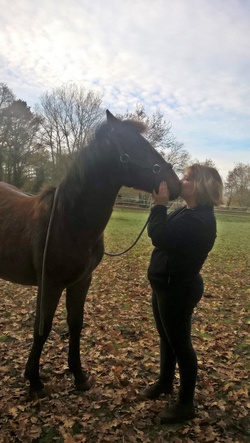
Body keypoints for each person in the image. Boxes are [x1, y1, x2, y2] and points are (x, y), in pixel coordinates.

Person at [141, 164, 223, 424]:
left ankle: (185, 404)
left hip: (177, 289)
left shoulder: (199, 220)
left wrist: (159, 205)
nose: (180, 180)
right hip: (164, 284)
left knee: (181, 346)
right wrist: (162, 207)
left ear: (199, 186)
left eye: (186, 178)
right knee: (167, 338)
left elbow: (159, 235)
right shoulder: (188, 211)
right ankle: (165, 383)